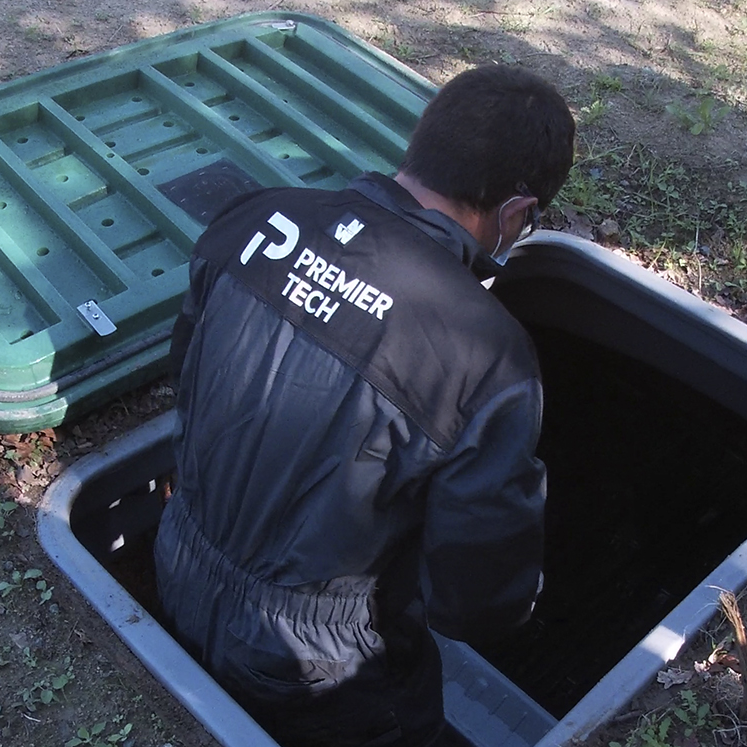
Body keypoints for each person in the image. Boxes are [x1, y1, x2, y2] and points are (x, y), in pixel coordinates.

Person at [154, 63, 575, 747]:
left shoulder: (255, 218)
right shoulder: (487, 354)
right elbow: (475, 602)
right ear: (516, 213)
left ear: (422, 145)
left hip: (176, 558)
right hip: (313, 665)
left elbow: (189, 377)